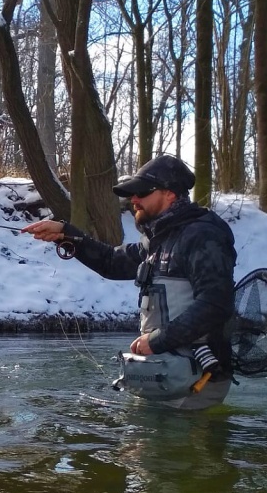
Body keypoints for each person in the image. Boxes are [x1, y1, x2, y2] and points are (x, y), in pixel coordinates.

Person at [21, 154, 236, 409]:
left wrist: (156, 341)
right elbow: (112, 262)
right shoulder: (157, 240)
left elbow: (215, 303)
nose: (134, 199)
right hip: (166, 374)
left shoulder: (203, 235)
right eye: (132, 193)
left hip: (199, 379)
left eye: (142, 192)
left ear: (170, 194)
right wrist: (65, 234)